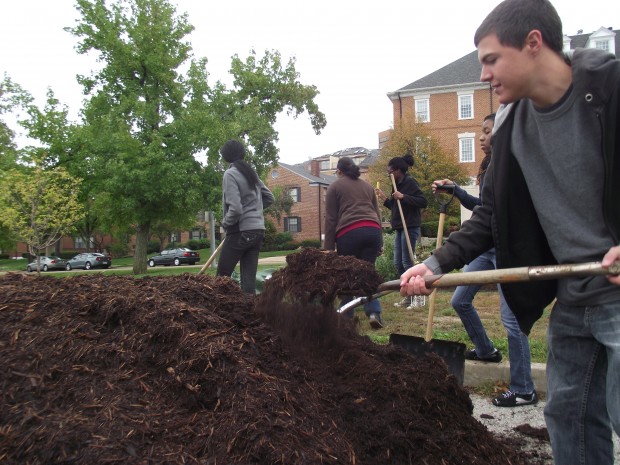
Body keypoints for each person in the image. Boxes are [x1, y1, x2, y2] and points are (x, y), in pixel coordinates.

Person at [400, 1, 620, 463]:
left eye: (491, 58)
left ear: (534, 43)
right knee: (568, 418)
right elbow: (490, 218)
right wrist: (435, 262)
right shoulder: (512, 128)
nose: (483, 74)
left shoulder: (610, 90)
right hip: (574, 296)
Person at [433, 113, 537, 408]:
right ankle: (486, 350)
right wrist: (455, 191)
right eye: (481, 131)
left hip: (506, 250)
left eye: (487, 131)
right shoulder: (488, 167)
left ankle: (524, 388)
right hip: (486, 248)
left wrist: (457, 191)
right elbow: (484, 209)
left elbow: (493, 211)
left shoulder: (512, 166)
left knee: (511, 319)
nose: (481, 136)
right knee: (459, 300)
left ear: (502, 133)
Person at [324, 156, 384, 329]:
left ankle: (346, 316)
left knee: (347, 274)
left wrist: (328, 249)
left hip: (349, 232)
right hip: (372, 230)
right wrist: (379, 241)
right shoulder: (367, 186)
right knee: (368, 273)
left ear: (339, 171)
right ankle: (374, 313)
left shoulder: (334, 186)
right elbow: (377, 214)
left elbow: (330, 219)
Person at [217, 139, 274, 294]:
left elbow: (235, 209)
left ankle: (218, 313)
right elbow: (269, 197)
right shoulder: (251, 173)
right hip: (258, 232)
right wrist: (255, 212)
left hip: (240, 231)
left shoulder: (230, 174)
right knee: (248, 285)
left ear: (225, 156)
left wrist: (225, 224)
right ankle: (250, 315)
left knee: (220, 278)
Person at [375, 154, 427, 310]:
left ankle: (418, 298)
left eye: (390, 171)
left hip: (410, 226)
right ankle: (408, 296)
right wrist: (385, 199)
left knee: (407, 262)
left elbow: (423, 201)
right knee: (398, 263)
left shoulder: (410, 182)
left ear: (398, 170)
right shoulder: (395, 183)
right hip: (399, 227)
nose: (388, 174)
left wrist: (404, 196)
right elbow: (395, 206)